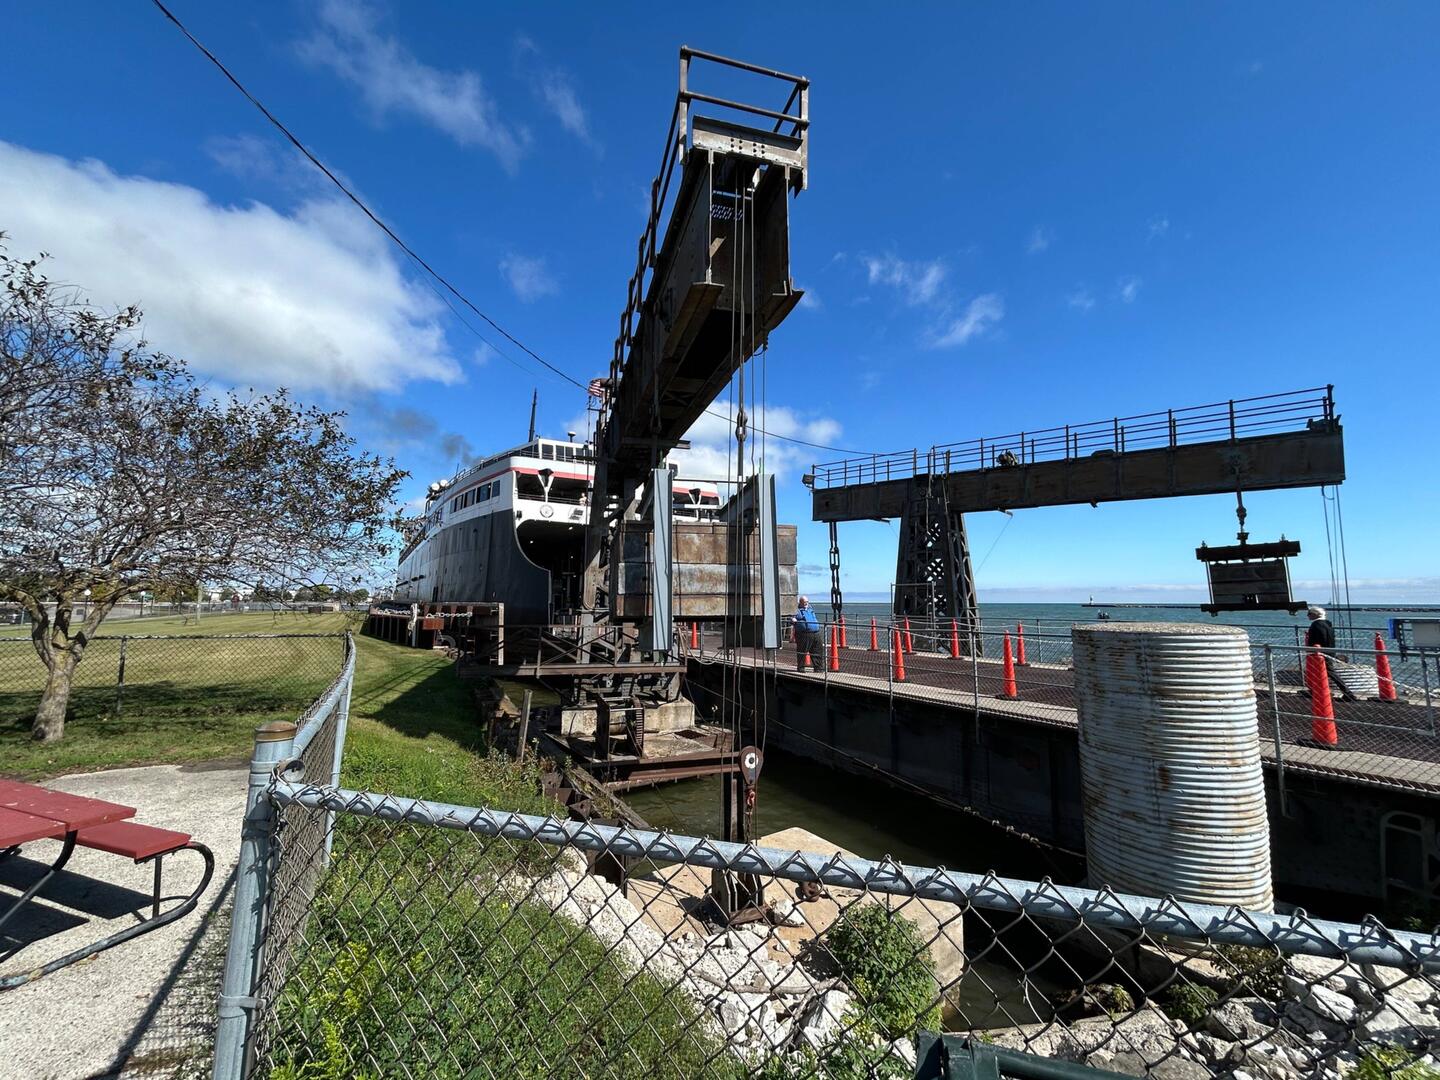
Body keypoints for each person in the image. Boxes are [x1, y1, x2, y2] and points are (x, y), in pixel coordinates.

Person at [1306, 605, 1353, 699]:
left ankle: (1348, 693)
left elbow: (1317, 639)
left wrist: (1311, 649)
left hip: (1319, 652)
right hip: (1329, 650)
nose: (1308, 616)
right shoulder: (1327, 624)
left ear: (1315, 614)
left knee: (1329, 672)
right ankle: (1317, 690)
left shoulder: (1316, 625)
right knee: (1322, 672)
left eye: (1309, 613)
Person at [792, 596, 821, 672]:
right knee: (802, 651)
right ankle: (801, 668)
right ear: (800, 602)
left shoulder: (810, 609)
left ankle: (818, 668)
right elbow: (792, 618)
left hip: (815, 633)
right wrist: (793, 620)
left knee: (817, 651)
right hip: (804, 634)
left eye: (807, 602)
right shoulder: (797, 610)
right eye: (804, 602)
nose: (806, 603)